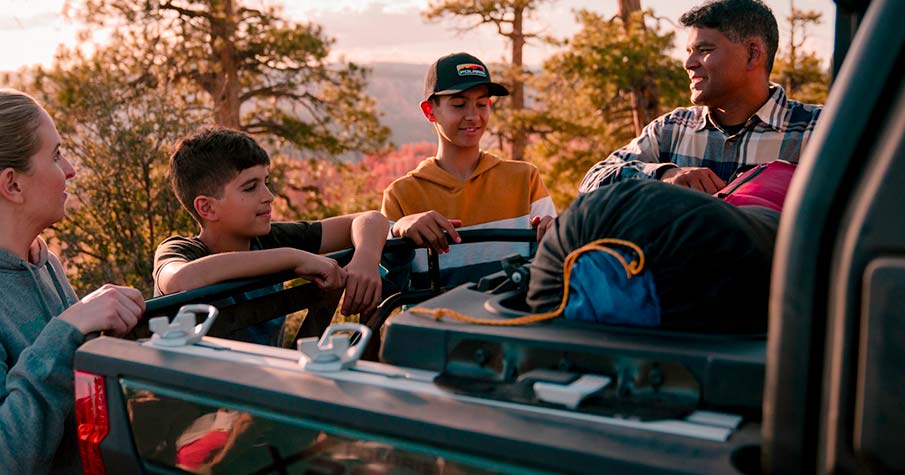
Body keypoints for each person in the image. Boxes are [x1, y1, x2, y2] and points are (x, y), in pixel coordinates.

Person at [0, 88, 145, 473]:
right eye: (55, 155)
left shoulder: (46, 264)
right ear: (12, 185)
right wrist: (67, 329)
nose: (70, 169)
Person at [154, 127, 389, 346]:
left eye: (266, 182)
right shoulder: (180, 250)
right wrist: (292, 258)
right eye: (250, 187)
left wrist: (365, 259)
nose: (268, 196)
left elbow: (371, 219)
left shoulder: (268, 239)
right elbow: (180, 280)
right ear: (207, 208)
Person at [579, 0, 822, 194]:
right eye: (689, 51)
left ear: (752, 54)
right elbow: (592, 181)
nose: (688, 63)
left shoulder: (818, 131)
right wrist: (663, 175)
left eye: (704, 50)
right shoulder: (670, 130)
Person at [381, 52, 557, 289]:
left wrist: (554, 237)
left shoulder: (525, 179)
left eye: (481, 104)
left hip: (510, 312)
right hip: (435, 315)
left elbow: (551, 266)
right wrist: (397, 232)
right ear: (429, 111)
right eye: (459, 105)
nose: (473, 116)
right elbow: (388, 287)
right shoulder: (401, 194)